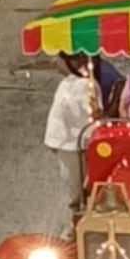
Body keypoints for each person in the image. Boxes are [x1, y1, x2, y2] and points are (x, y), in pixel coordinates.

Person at [44, 52, 94, 215]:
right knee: (72, 185)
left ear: (71, 62)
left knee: (76, 188)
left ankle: (78, 218)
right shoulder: (67, 82)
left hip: (75, 145)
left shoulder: (84, 85)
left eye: (59, 59)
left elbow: (86, 113)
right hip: (66, 145)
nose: (55, 62)